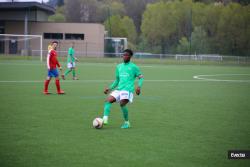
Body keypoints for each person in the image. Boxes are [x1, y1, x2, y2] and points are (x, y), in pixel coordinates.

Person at [102, 49, 144, 129]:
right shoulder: (119, 66)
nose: (124, 56)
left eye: (126, 55)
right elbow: (117, 80)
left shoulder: (134, 67)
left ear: (130, 56)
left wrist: (139, 86)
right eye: (123, 55)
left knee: (122, 103)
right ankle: (104, 119)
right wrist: (109, 88)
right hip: (119, 89)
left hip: (128, 90)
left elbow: (141, 77)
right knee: (108, 100)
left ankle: (127, 123)